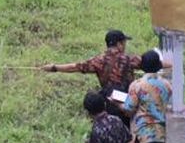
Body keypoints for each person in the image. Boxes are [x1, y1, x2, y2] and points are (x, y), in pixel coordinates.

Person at [41, 30, 169, 119]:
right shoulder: (128, 59)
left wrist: (54, 67)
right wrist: (173, 64)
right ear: (119, 44)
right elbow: (152, 63)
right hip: (127, 102)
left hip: (108, 102)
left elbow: (75, 67)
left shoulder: (98, 61)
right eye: (124, 42)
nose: (124, 45)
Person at [120, 49, 171, 143]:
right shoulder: (166, 85)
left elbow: (128, 110)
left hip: (142, 134)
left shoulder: (137, 86)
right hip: (160, 133)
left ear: (142, 65)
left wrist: (117, 105)